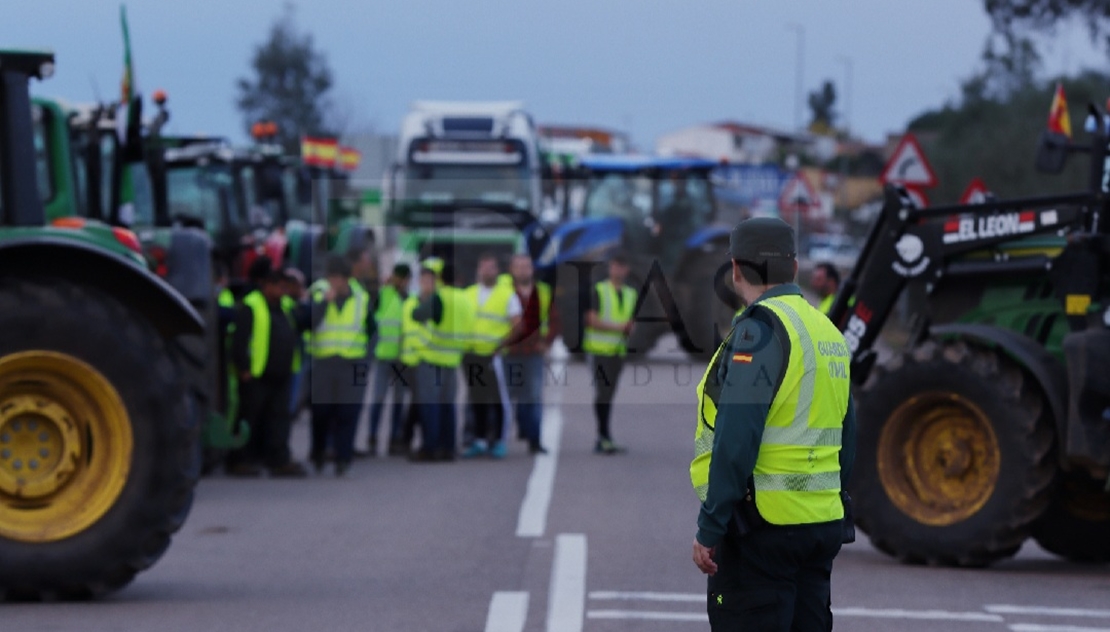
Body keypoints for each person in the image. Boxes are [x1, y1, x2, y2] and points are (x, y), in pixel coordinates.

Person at [690, 217, 856, 631]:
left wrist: (712, 524)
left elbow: (736, 438)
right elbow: (848, 434)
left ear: (735, 270)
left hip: (764, 528)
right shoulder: (828, 332)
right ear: (795, 268)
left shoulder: (758, 332)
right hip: (821, 524)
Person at [226, 263, 308, 478]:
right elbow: (239, 341)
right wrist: (243, 368)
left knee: (280, 419)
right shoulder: (251, 306)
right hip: (256, 375)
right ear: (268, 286)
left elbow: (303, 323)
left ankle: (278, 459)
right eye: (280, 287)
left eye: (285, 288)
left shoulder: (287, 307)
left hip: (281, 374)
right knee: (249, 418)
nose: (283, 292)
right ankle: (239, 459)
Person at [306, 255, 372, 476]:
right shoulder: (319, 292)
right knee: (321, 412)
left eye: (338, 278)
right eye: (331, 277)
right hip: (324, 361)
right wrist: (325, 302)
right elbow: (310, 322)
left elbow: (372, 329)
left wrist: (366, 360)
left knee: (348, 412)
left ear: (346, 278)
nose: (334, 282)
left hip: (352, 363)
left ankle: (343, 458)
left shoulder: (361, 297)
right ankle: (318, 452)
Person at [461, 254, 522, 459]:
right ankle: (478, 440)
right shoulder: (468, 293)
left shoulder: (507, 295)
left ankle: (500, 440)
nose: (487, 271)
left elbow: (517, 325)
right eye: (484, 267)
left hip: (494, 355)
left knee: (498, 400)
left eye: (491, 267)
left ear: (497, 270)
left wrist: (502, 344)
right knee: (477, 399)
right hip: (471, 354)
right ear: (479, 270)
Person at [411, 258, 472, 462]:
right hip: (453, 359)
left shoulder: (440, 297)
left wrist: (424, 298)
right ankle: (448, 448)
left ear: (440, 278)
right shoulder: (465, 298)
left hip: (432, 358)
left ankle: (430, 447)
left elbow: (417, 314)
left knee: (431, 406)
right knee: (448, 406)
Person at [504, 253, 559, 455]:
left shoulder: (543, 292)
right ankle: (501, 440)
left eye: (526, 266)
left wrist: (547, 342)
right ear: (511, 269)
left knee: (533, 397)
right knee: (507, 397)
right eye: (518, 266)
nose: (523, 270)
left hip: (533, 353)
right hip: (509, 352)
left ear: (532, 269)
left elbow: (554, 320)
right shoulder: (504, 292)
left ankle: (534, 440)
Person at [583, 252, 638, 454]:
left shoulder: (631, 293)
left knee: (609, 393)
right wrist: (619, 328)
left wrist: (629, 329)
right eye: (615, 266)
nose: (618, 270)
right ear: (610, 268)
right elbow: (591, 320)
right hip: (599, 351)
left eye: (622, 267)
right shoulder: (598, 290)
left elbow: (631, 321)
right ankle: (603, 435)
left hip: (617, 351)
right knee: (603, 393)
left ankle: (604, 436)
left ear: (627, 270)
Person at [367, 263, 413, 456]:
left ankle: (395, 439)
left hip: (401, 358)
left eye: (404, 278)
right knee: (378, 398)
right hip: (383, 355)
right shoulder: (381, 294)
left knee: (398, 400)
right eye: (398, 277)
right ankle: (372, 437)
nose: (401, 282)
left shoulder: (410, 300)